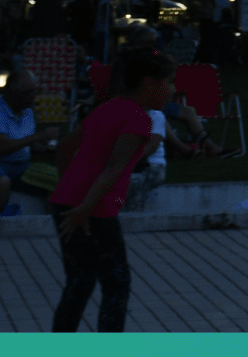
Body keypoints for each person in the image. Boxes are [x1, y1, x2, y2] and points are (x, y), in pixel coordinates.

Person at [47, 48, 175, 332]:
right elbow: (115, 168)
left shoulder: (108, 107)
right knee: (116, 283)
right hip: (94, 209)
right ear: (148, 84)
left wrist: (67, 190)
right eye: (168, 82)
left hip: (67, 203)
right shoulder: (138, 119)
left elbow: (66, 147)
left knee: (79, 280)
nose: (172, 90)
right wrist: (84, 208)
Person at [1, 70, 61, 217]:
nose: (35, 96)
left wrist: (47, 150)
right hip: (2, 164)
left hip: (22, 166)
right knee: (3, 182)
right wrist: (39, 136)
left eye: (35, 90)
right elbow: (3, 147)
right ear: (13, 94)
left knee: (59, 177)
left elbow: (28, 145)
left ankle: (48, 224)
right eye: (30, 92)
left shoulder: (27, 111)